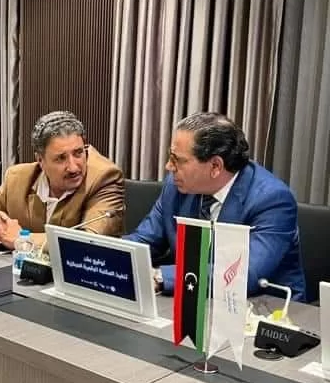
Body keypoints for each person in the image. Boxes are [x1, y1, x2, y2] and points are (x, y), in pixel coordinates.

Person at [124, 112, 306, 301]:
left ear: (216, 166)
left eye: (178, 160)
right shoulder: (176, 187)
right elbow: (144, 240)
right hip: (194, 300)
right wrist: (111, 257)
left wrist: (160, 277)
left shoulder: (272, 200)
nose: (169, 166)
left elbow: (244, 274)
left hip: (263, 307)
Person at [0, 110, 124, 250]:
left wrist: (21, 239)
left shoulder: (105, 178)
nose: (73, 167)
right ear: (40, 160)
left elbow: (89, 243)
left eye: (78, 153)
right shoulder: (17, 178)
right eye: (61, 158)